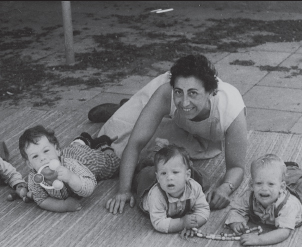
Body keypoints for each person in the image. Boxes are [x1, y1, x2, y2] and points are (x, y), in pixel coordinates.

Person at [97, 54, 247, 214]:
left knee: (178, 153)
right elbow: (135, 145)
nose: (184, 102)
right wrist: (124, 190)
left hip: (199, 129)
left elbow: (237, 167)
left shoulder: (232, 109)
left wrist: (225, 188)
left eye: (193, 93)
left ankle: (137, 108)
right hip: (163, 102)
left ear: (210, 92)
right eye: (179, 92)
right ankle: (131, 108)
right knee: (113, 140)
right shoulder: (166, 92)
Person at [18, 125, 120, 213]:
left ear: (57, 150)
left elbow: (89, 187)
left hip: (86, 159)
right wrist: (63, 205)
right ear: (29, 164)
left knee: (114, 165)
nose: (43, 158)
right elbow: (42, 200)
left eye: (46, 151)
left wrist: (71, 177)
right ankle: (83, 139)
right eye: (35, 156)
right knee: (75, 147)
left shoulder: (71, 166)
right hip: (70, 151)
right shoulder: (35, 178)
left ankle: (103, 145)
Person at [139, 144, 210, 236]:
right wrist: (182, 223)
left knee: (204, 179)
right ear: (158, 178)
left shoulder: (194, 187)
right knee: (144, 174)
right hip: (147, 184)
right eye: (164, 173)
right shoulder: (156, 195)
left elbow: (203, 209)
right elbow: (158, 223)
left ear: (187, 175)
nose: (169, 177)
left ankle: (160, 150)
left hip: (183, 183)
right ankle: (152, 151)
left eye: (175, 172)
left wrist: (193, 224)